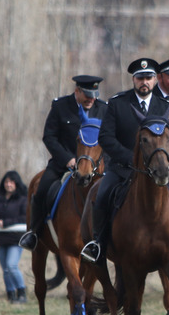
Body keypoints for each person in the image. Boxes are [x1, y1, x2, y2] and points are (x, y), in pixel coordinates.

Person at [81, 58, 169, 264]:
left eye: (148, 78)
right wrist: (131, 159)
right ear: (133, 80)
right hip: (123, 168)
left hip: (160, 167)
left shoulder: (165, 106)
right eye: (140, 78)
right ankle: (98, 244)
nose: (144, 82)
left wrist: (167, 162)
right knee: (101, 195)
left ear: (155, 80)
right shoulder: (118, 103)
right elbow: (106, 137)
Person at [19, 76, 108, 251]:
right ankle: (34, 233)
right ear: (77, 91)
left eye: (94, 96)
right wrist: (68, 158)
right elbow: (49, 137)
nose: (91, 99)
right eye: (87, 95)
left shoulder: (103, 110)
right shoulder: (60, 107)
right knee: (42, 189)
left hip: (95, 168)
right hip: (63, 164)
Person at [0, 171, 29, 303]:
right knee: (5, 270)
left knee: (11, 266)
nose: (8, 185)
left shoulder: (23, 199)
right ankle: (11, 294)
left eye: (11, 182)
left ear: (16, 183)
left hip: (15, 239)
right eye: (6, 182)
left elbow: (24, 217)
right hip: (0, 239)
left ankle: (22, 293)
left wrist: (7, 223)